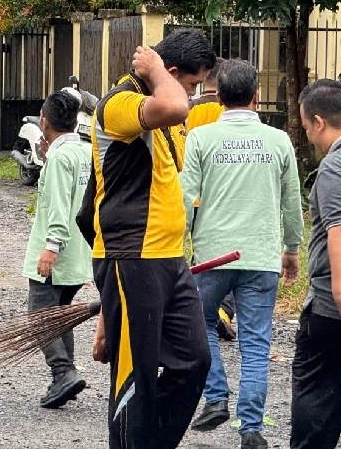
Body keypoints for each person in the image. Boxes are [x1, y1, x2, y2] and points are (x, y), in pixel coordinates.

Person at [79, 29, 216, 449]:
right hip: (132, 254)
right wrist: (157, 69)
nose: (192, 96)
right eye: (192, 84)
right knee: (135, 378)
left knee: (195, 362)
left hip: (169, 258)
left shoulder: (164, 110)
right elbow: (175, 103)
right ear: (171, 73)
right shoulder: (120, 103)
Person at [181, 60, 302, 448]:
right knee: (256, 341)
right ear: (256, 97)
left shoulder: (201, 139)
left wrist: (174, 244)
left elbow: (185, 196)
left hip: (213, 255)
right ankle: (250, 427)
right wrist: (292, 249)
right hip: (262, 256)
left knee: (200, 323)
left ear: (218, 98)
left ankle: (215, 395)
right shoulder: (279, 140)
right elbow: (292, 201)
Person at [21, 90, 93, 409]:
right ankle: (64, 377)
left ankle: (63, 372)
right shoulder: (86, 153)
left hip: (58, 251)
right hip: (81, 250)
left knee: (40, 315)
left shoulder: (61, 158)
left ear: (44, 120)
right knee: (60, 315)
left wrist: (51, 247)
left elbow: (60, 207)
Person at [291, 79, 341, 449]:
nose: (307, 135)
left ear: (320, 122)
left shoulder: (333, 169)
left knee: (316, 405)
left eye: (307, 126)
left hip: (331, 310)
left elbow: (339, 237)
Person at [186, 58, 239, 341]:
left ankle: (198, 308)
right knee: (231, 256)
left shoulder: (188, 109)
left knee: (202, 257)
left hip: (194, 197)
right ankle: (221, 311)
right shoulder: (228, 111)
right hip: (225, 195)